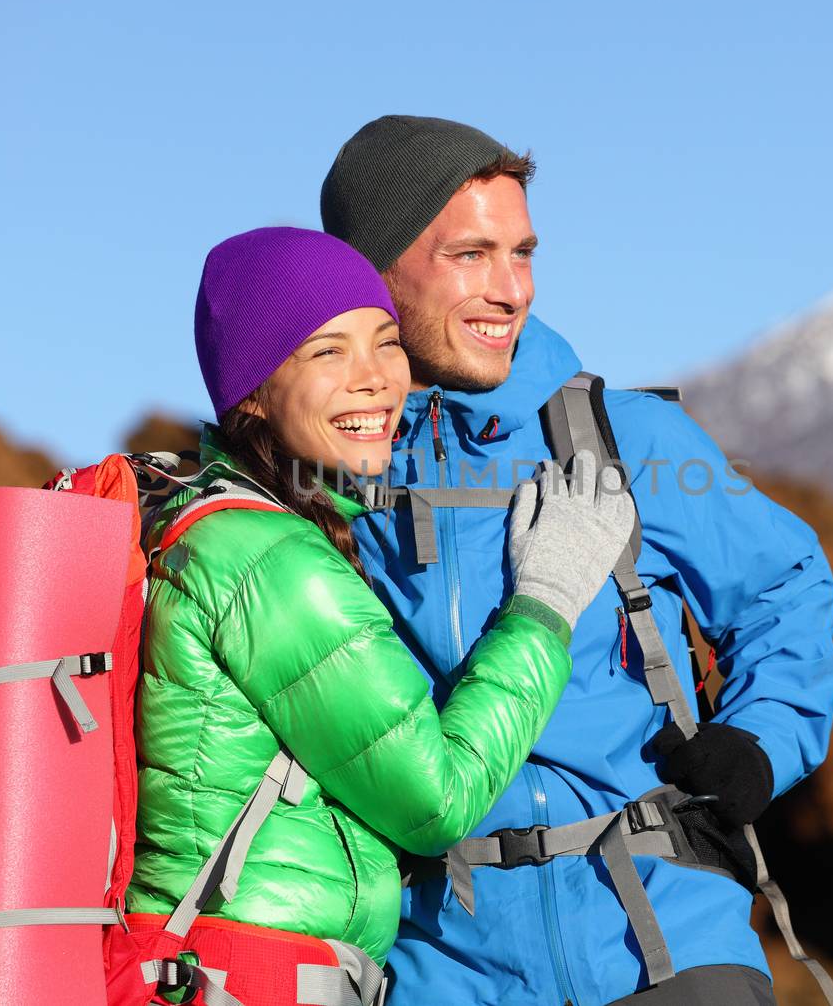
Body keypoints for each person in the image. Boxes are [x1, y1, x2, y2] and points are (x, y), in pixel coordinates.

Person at [321, 117, 833, 1005]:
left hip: (666, 948)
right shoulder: (329, 479)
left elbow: (785, 589)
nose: (510, 289)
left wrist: (759, 741)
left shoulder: (624, 439)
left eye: (522, 252)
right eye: (471, 255)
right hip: (440, 972)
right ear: (372, 271)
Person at [124, 226, 637, 974]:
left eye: (386, 342)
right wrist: (546, 601)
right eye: (328, 351)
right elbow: (437, 800)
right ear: (255, 395)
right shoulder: (272, 563)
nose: (376, 378)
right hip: (240, 972)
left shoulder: (229, 532)